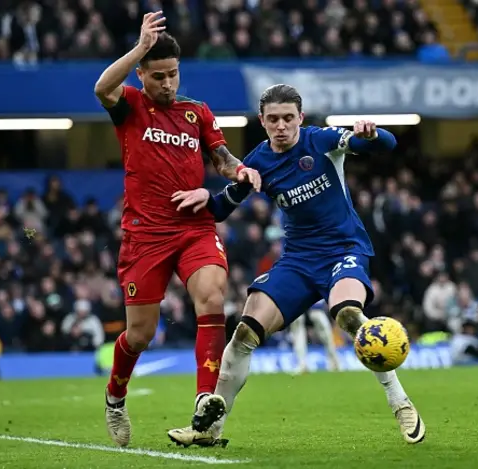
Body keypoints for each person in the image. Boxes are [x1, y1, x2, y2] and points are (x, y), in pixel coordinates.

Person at [170, 84, 426, 446]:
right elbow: (223, 208)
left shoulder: (320, 140)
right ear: (262, 121)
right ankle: (209, 429)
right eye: (273, 119)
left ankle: (400, 402)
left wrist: (373, 132)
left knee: (349, 315)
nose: (281, 126)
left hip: (344, 249)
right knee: (243, 335)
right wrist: (204, 197)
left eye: (288, 118)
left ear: (300, 118)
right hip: (298, 261)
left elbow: (387, 144)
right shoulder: (258, 161)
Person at [93, 12, 261, 448]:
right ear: (143, 74)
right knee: (141, 334)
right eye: (158, 76)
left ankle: (205, 400)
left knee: (212, 295)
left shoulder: (196, 113)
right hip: (145, 234)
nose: (167, 84)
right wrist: (138, 49)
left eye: (173, 75)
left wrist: (238, 170)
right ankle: (115, 396)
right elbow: (101, 88)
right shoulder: (129, 105)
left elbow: (221, 157)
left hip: (194, 228)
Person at [289, 301, 341, 373]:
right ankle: (302, 364)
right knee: (298, 333)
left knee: (326, 335)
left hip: (314, 306)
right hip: (299, 307)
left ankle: (334, 362)